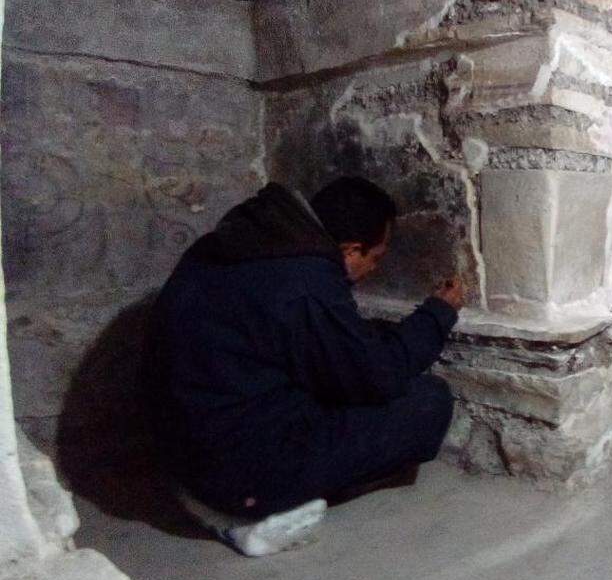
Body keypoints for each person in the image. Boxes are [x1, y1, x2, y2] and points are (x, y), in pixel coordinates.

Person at [144, 177, 464, 524]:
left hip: (182, 456)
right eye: (375, 258)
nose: (374, 269)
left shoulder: (241, 243)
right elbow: (377, 377)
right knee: (428, 401)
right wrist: (439, 313)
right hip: (236, 474)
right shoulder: (305, 282)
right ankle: (269, 506)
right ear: (351, 251)